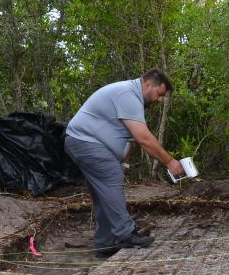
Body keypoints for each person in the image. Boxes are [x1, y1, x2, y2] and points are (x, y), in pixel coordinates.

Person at [64, 69, 184, 258]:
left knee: (104, 194)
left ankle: (104, 244)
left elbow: (128, 138)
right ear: (146, 84)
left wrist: (125, 164)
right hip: (85, 141)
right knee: (112, 179)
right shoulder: (127, 95)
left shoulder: (132, 98)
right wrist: (169, 162)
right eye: (159, 94)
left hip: (85, 142)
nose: (160, 100)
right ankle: (126, 233)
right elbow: (143, 138)